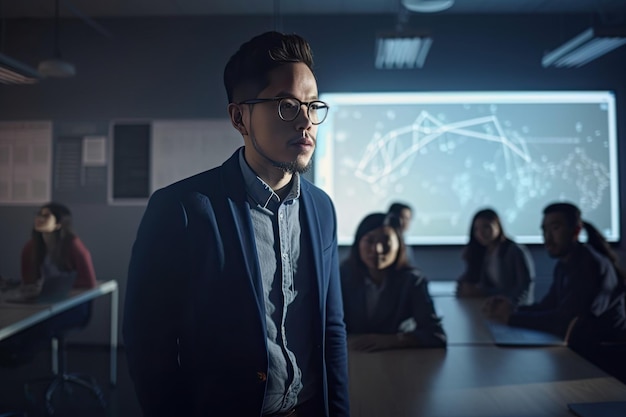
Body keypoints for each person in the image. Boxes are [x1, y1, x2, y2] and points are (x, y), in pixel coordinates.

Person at [123, 32, 349, 417]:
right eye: (286, 105)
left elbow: (331, 329)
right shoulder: (182, 209)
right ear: (239, 117)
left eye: (313, 106)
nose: (306, 122)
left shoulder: (321, 208)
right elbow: (148, 345)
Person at [484, 202, 626, 362]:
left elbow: (565, 320)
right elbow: (547, 306)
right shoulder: (564, 264)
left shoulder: (590, 264)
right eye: (544, 230)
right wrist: (513, 308)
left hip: (605, 358)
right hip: (581, 352)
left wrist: (511, 317)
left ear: (576, 231)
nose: (547, 237)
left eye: (555, 228)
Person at [0, 202, 97, 365]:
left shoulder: (72, 245)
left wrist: (61, 286)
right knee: (23, 322)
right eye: (38, 214)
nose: (39, 218)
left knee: (43, 325)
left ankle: (17, 356)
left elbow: (89, 281)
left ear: (59, 223)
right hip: (41, 303)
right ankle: (11, 354)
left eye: (45, 216)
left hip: (73, 306)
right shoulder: (31, 247)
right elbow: (28, 282)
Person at [340, 212, 446, 352]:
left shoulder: (413, 281)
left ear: (399, 246)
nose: (377, 250)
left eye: (385, 242)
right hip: (352, 355)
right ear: (358, 244)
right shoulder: (341, 277)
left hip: (396, 358)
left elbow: (436, 335)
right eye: (370, 241)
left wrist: (394, 340)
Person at [456, 208, 535, 305]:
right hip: (491, 306)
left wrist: (484, 292)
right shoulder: (483, 252)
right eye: (476, 229)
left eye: (486, 227)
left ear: (498, 226)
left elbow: (523, 287)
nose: (481, 233)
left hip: (514, 309)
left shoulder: (514, 250)